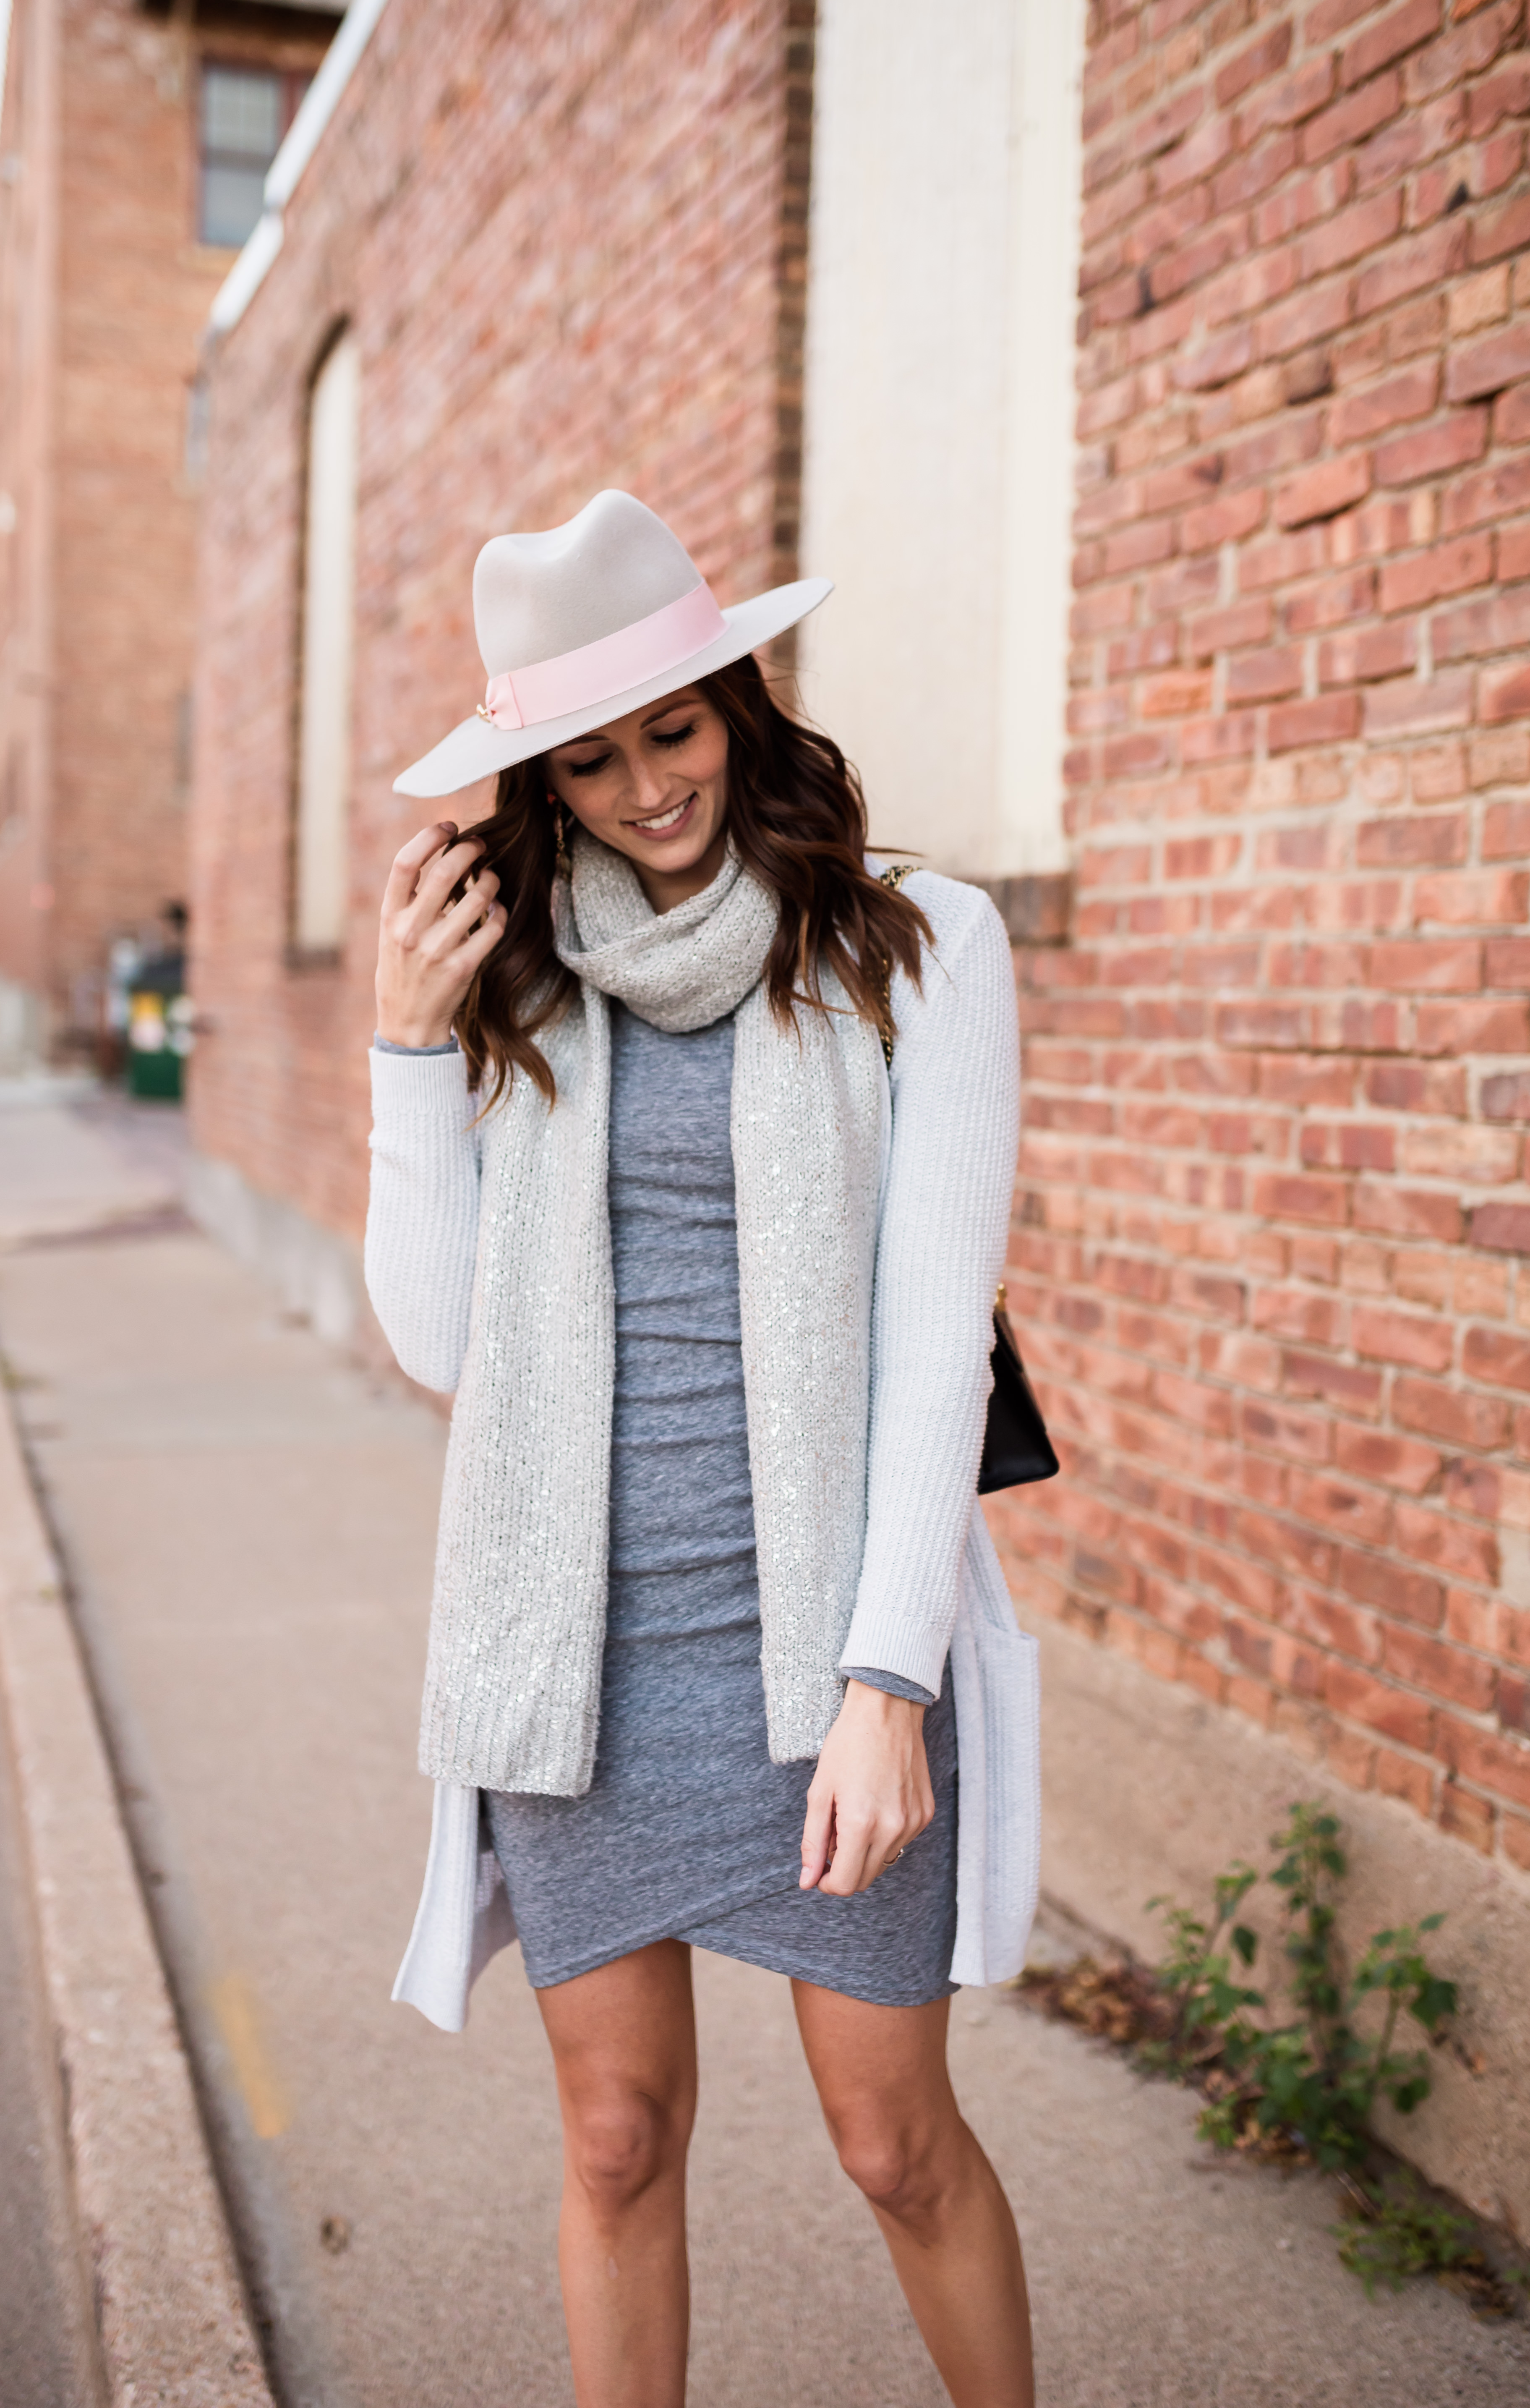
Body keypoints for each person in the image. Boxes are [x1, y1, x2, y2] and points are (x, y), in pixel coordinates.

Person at [366, 490, 1039, 2408]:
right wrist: (410, 1060)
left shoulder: (921, 943)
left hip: (823, 1647)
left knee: (894, 2142)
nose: (645, 785)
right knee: (612, 2136)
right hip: (575, 1655)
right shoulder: (514, 980)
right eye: (587, 757)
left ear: (738, 699)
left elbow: (933, 1350)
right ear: (540, 782)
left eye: (671, 727)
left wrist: (887, 1682)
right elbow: (439, 1344)